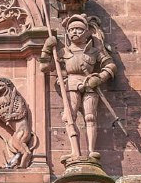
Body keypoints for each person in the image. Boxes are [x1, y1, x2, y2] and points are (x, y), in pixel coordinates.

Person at [40, 14, 116, 161]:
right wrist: (47, 49)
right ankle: (75, 151)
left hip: (89, 84)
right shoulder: (63, 52)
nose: (74, 32)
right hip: (71, 84)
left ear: (87, 32)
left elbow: (110, 65)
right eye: (71, 29)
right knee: (69, 117)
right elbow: (44, 67)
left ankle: (91, 151)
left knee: (90, 116)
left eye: (79, 29)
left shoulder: (94, 51)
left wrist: (100, 78)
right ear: (67, 32)